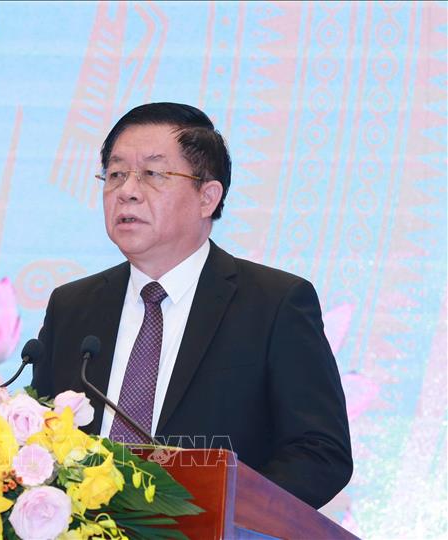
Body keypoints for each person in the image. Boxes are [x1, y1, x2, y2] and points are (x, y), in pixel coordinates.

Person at [32, 102, 352, 509]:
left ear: (207, 197)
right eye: (115, 174)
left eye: (153, 174)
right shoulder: (72, 306)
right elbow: (37, 442)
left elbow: (321, 452)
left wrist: (223, 514)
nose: (127, 191)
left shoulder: (274, 304)